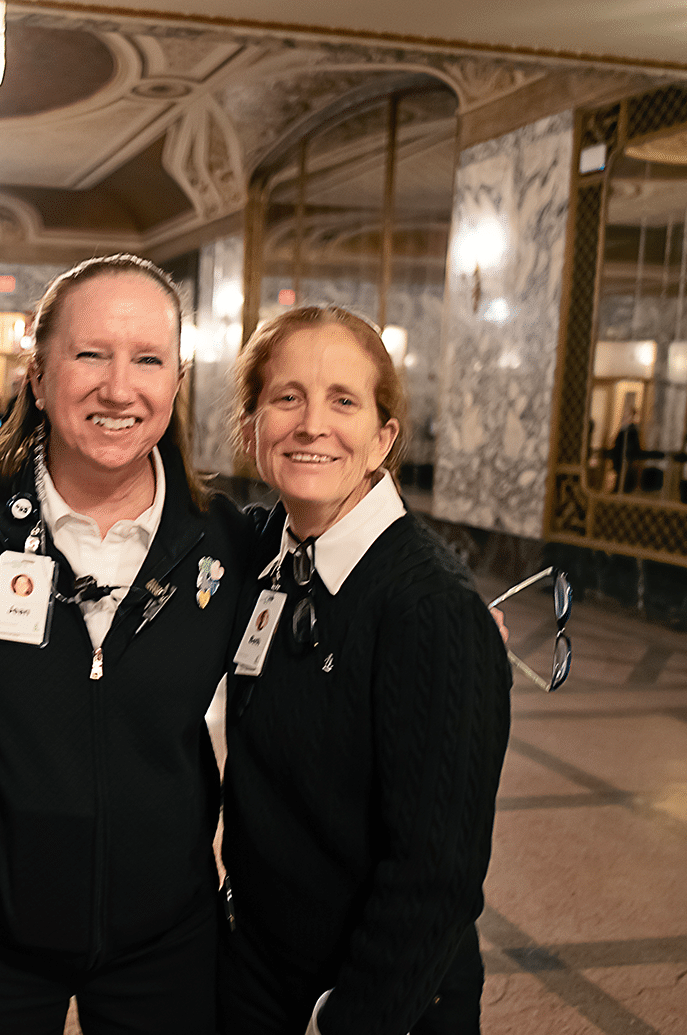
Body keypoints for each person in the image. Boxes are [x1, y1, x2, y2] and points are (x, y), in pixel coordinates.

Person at [0, 255, 256, 1034]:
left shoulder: (228, 544)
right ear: (38, 376)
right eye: (90, 353)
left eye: (147, 359)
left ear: (176, 380)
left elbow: (341, 591)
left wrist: (446, 613)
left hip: (167, 938)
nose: (118, 387)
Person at [219, 305, 510, 1035]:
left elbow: (438, 872)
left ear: (383, 437)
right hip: (259, 970)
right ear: (253, 425)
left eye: (343, 400)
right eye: (287, 397)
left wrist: (350, 1020)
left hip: (378, 998)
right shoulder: (268, 554)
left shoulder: (428, 604)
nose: (312, 424)